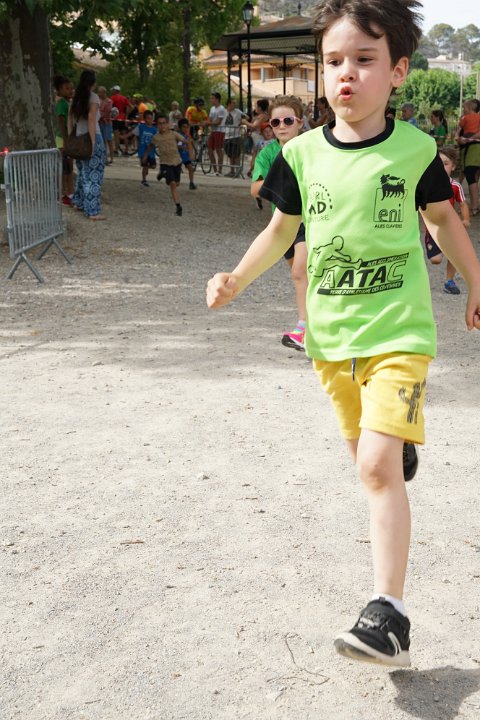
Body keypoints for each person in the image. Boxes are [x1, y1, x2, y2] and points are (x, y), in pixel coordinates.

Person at [206, 0, 480, 668]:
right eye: (333, 61)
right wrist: (237, 278)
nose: (346, 74)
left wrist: (476, 281)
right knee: (369, 463)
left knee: (377, 468)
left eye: (364, 59)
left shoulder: (416, 150)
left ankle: (389, 616)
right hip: (330, 341)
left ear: (399, 71)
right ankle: (394, 448)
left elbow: (442, 220)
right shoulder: (298, 155)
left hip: (399, 332)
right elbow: (280, 231)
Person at [251, 95, 308, 351]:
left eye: (288, 120)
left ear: (300, 122)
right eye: (276, 122)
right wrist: (283, 180)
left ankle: (304, 329)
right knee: (303, 278)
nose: (282, 126)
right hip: (283, 223)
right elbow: (254, 189)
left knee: (300, 273)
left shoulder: (312, 148)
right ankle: (318, 326)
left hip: (311, 219)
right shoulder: (268, 153)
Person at [424, 146, 470, 294]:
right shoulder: (428, 184)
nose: (441, 167)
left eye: (446, 164)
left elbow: (463, 204)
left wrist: (466, 219)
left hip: (451, 226)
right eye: (438, 163)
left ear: (453, 166)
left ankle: (449, 281)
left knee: (454, 254)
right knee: (436, 260)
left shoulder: (455, 186)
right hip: (433, 227)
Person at [69, 70, 106, 220]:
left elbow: (70, 118)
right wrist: (93, 142)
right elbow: (92, 118)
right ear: (93, 83)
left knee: (83, 172)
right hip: (92, 136)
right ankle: (92, 211)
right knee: (94, 174)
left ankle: (79, 202)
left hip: (78, 138)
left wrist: (71, 137)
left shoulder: (75, 98)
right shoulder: (93, 97)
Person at [143, 114, 185, 216]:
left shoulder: (174, 134)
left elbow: (186, 142)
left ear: (168, 124)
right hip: (165, 163)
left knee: (176, 183)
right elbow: (150, 146)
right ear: (157, 125)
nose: (162, 126)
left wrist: (190, 152)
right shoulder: (156, 137)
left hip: (176, 162)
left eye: (164, 123)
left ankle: (162, 174)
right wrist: (145, 157)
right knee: (173, 184)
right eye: (159, 124)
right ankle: (178, 206)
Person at [456, 99, 480, 215]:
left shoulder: (466, 118)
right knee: (473, 176)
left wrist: (467, 139)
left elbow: (458, 133)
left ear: (470, 108)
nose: (463, 109)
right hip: (469, 149)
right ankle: (475, 206)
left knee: (471, 175)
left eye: (464, 108)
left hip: (473, 149)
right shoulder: (469, 118)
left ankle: (474, 207)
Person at [53, 74, 74, 205]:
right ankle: (61, 194)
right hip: (62, 139)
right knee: (64, 167)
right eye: (67, 88)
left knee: (69, 167)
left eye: (71, 88)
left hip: (67, 138)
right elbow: (61, 122)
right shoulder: (61, 103)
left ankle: (69, 193)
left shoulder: (68, 102)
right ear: (60, 90)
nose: (70, 91)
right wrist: (66, 141)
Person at [134, 110, 158, 187]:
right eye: (148, 118)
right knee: (145, 166)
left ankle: (147, 167)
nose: (150, 120)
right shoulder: (141, 127)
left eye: (151, 118)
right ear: (144, 119)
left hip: (151, 151)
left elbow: (158, 139)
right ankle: (144, 180)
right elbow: (134, 134)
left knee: (153, 166)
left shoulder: (154, 129)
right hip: (143, 151)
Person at [223, 99, 246, 177]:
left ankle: (238, 171)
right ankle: (232, 171)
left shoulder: (238, 111)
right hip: (226, 136)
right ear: (229, 104)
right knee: (230, 155)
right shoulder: (224, 111)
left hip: (235, 136)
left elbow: (246, 117)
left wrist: (241, 122)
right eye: (233, 103)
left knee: (236, 154)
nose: (234, 104)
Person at [207, 92, 227, 175]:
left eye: (212, 98)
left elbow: (218, 121)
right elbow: (210, 119)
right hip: (213, 131)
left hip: (220, 131)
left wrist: (208, 123)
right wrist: (208, 125)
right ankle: (215, 170)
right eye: (211, 98)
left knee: (218, 149)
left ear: (217, 99)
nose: (211, 100)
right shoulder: (212, 108)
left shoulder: (221, 109)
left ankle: (219, 170)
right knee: (209, 150)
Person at [110, 85, 132, 155]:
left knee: (116, 135)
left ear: (116, 91)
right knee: (124, 134)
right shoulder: (124, 98)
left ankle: (116, 150)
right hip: (123, 118)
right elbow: (131, 107)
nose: (112, 92)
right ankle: (126, 150)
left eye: (113, 90)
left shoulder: (113, 98)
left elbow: (110, 107)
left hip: (115, 118)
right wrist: (126, 114)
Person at [177, 118, 196, 189]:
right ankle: (176, 181)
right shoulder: (178, 136)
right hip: (178, 156)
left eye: (187, 127)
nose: (185, 129)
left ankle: (191, 183)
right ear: (180, 127)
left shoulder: (187, 136)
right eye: (184, 127)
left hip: (185, 156)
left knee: (190, 168)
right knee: (177, 169)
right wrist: (181, 147)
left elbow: (189, 145)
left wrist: (192, 151)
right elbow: (177, 145)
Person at [98, 86, 114, 165]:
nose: (99, 94)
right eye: (99, 92)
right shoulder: (98, 100)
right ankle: (104, 158)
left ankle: (111, 157)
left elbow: (107, 112)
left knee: (109, 140)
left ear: (104, 92)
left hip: (106, 123)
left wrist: (98, 116)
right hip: (99, 123)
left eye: (100, 92)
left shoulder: (109, 101)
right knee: (102, 141)